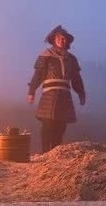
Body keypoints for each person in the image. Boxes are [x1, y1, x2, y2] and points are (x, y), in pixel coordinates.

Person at [28, 25, 86, 153]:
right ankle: (45, 154)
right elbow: (38, 75)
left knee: (60, 126)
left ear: (67, 41)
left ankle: (55, 154)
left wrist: (81, 94)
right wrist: (31, 91)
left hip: (64, 96)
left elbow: (76, 79)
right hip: (49, 95)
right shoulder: (46, 56)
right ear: (54, 39)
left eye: (64, 38)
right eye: (59, 38)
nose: (61, 40)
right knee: (47, 125)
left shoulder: (71, 59)